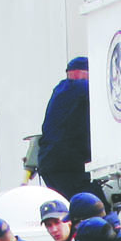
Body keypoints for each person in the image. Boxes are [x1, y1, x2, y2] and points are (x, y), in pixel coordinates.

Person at [38, 58, 93, 199]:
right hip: (68, 166)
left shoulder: (60, 90)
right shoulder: (82, 88)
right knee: (94, 207)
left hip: (50, 164)